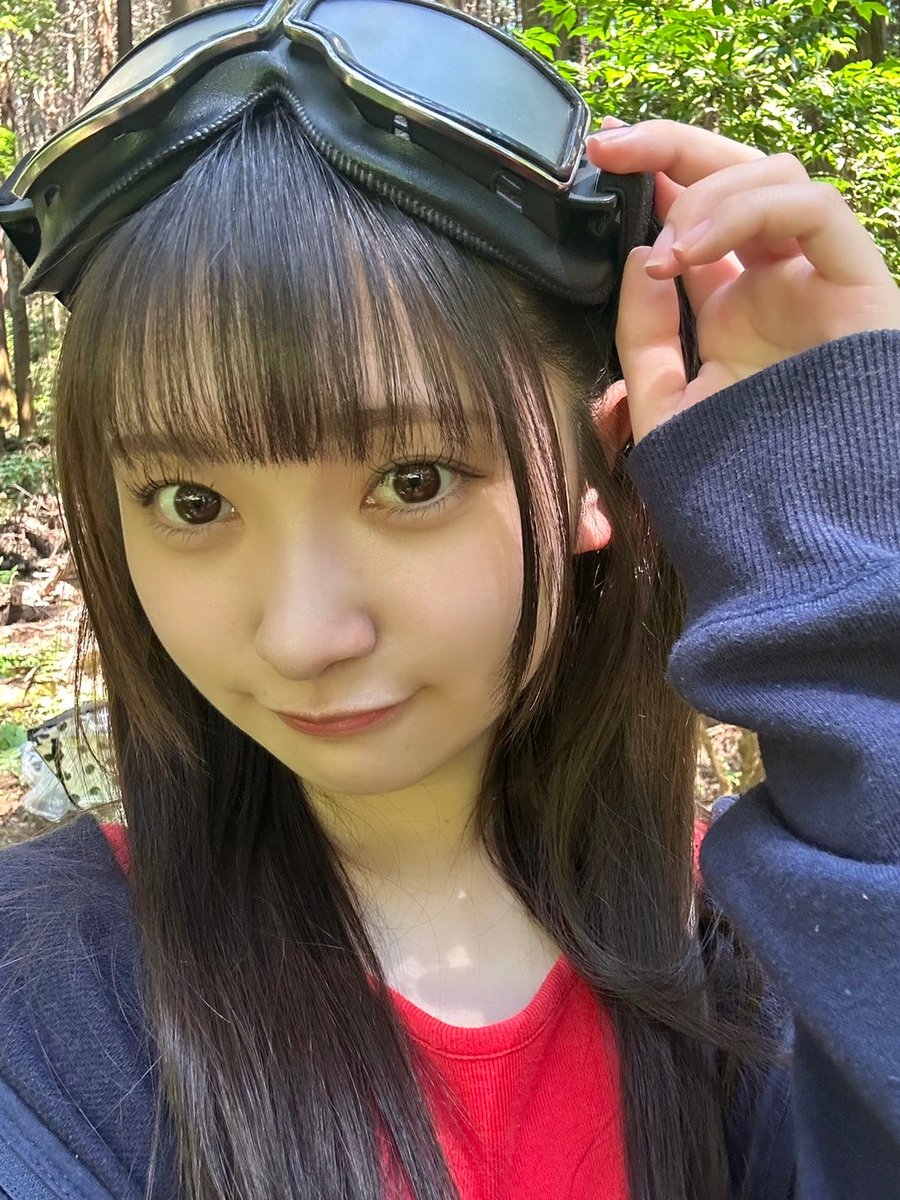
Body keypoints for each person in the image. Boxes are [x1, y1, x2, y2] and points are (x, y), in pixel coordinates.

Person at [0, 1, 897, 1198]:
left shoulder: (771, 955)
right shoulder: (42, 994)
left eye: (412, 481)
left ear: (600, 471)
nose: (305, 636)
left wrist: (833, 545)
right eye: (190, 501)